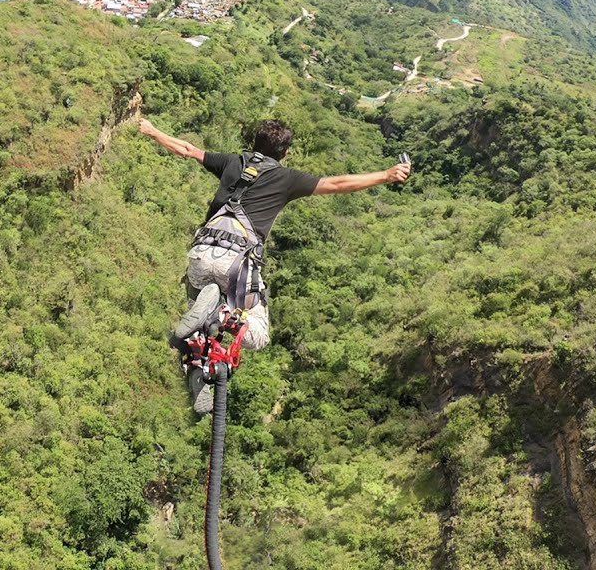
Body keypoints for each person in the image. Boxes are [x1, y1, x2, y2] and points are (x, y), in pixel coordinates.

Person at [139, 117, 411, 412]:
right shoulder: (287, 178)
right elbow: (336, 184)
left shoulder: (232, 161)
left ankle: (196, 364)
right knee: (257, 335)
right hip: (237, 264)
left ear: (254, 144)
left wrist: (153, 130)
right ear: (284, 153)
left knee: (196, 319)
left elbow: (188, 149)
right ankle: (220, 312)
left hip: (201, 254)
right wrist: (385, 175)